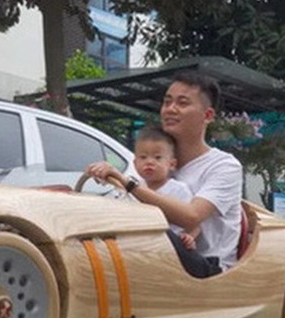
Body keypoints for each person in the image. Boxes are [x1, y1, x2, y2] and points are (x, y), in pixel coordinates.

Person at [86, 71, 243, 278]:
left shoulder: (224, 166)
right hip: (157, 261)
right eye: (167, 102)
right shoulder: (152, 161)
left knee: (157, 233)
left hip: (205, 268)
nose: (170, 109)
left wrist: (128, 183)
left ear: (208, 116)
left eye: (182, 103)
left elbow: (191, 216)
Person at [131, 126, 199, 251]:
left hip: (171, 248)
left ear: (171, 164)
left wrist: (189, 237)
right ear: (135, 164)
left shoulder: (178, 189)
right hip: (140, 246)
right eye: (143, 157)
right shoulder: (133, 189)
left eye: (157, 158)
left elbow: (194, 224)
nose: (149, 162)